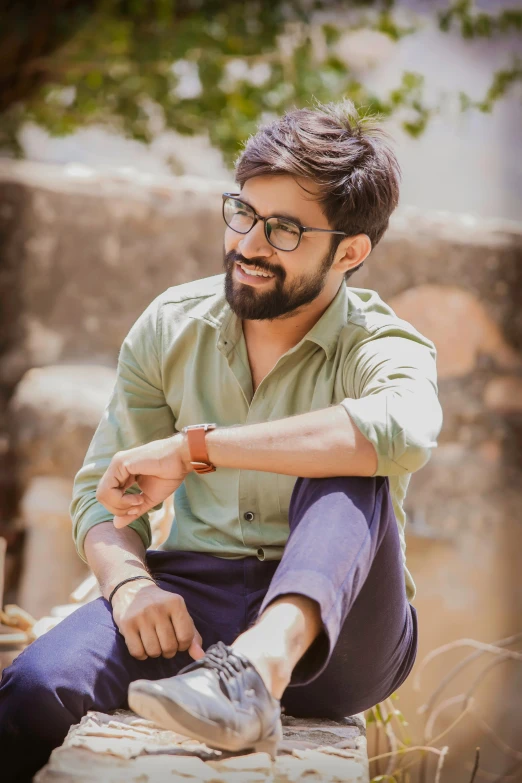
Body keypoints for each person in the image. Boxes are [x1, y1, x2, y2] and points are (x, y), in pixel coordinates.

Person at [0, 100, 442, 780]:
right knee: (33, 687)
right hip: (196, 593)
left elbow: (400, 428)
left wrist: (193, 448)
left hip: (344, 634)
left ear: (350, 251)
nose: (249, 244)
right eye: (243, 212)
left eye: (286, 230)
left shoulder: (383, 344)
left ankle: (261, 666)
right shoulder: (171, 323)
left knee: (349, 452)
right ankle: (222, 670)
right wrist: (128, 589)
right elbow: (101, 491)